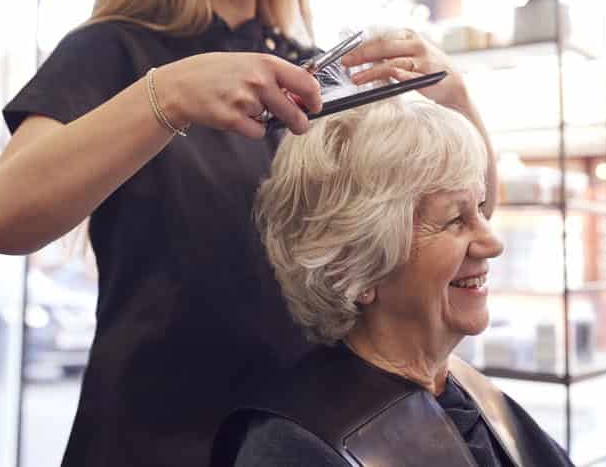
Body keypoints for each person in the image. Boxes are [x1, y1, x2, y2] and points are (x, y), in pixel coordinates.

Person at [0, 0, 495, 465]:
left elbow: (465, 224)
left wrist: (453, 94)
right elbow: (2, 220)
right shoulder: (115, 53)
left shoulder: (309, 71)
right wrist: (169, 97)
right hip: (155, 445)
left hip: (302, 441)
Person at [211, 98, 573, 467]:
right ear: (353, 264)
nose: (493, 243)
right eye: (454, 220)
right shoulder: (293, 447)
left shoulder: (470, 394)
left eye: (479, 209)